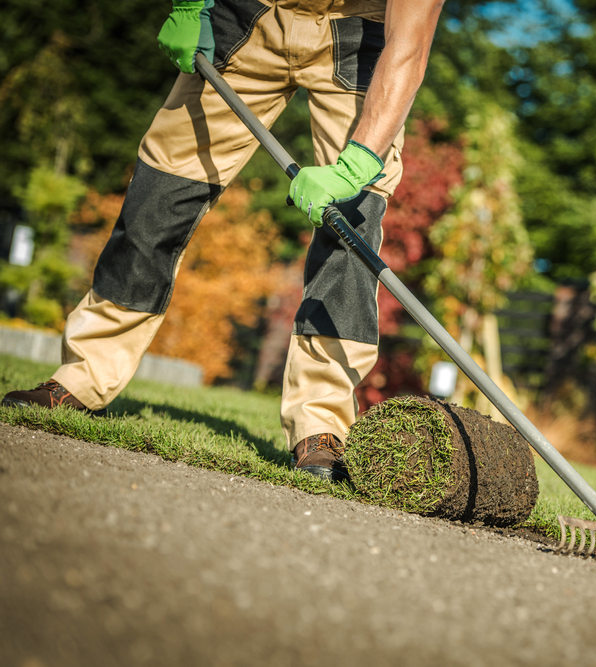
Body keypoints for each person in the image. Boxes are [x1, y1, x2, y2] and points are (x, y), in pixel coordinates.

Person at [2, 0, 445, 482]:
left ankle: (321, 427)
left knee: (352, 221)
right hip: (250, 12)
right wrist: (191, 4)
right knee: (162, 190)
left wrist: (358, 164)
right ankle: (82, 379)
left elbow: (410, 43)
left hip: (360, 33)